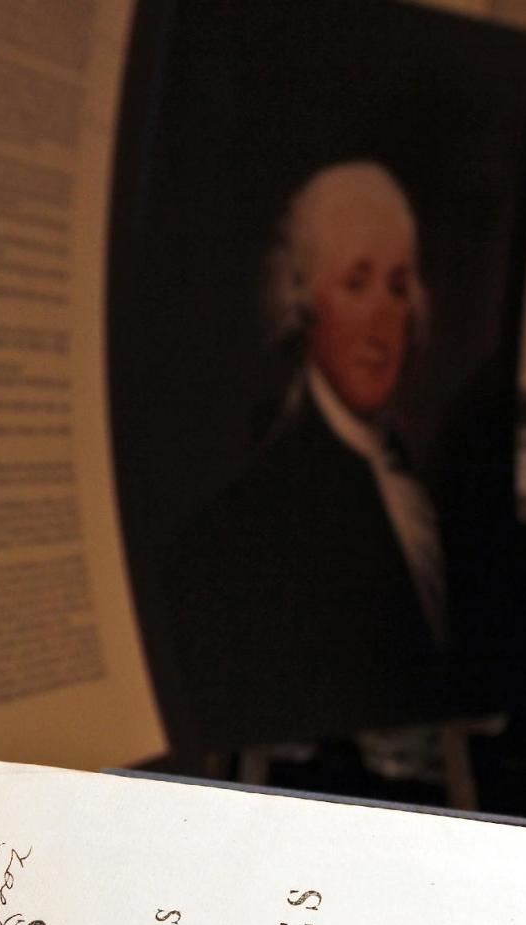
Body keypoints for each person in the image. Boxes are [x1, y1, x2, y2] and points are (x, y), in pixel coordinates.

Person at [162, 161, 448, 748]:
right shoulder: (263, 513)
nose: (380, 322)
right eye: (355, 284)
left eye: (397, 287)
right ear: (304, 303)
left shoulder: (412, 475)